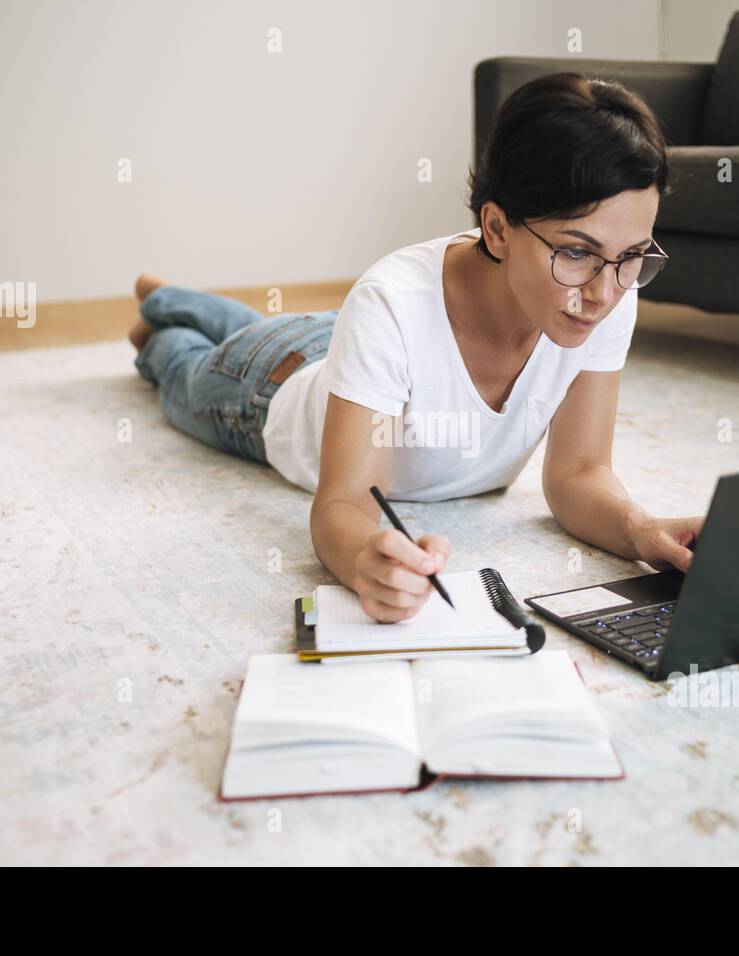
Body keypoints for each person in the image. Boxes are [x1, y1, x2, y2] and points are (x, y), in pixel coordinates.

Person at [128, 72, 704, 623]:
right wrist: (362, 560)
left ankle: (174, 297)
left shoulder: (604, 288)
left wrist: (639, 528)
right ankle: (160, 321)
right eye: (576, 253)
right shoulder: (391, 299)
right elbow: (343, 504)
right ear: (498, 229)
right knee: (181, 367)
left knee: (267, 327)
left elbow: (579, 472)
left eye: (632, 256)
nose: (604, 294)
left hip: (345, 348)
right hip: (266, 388)